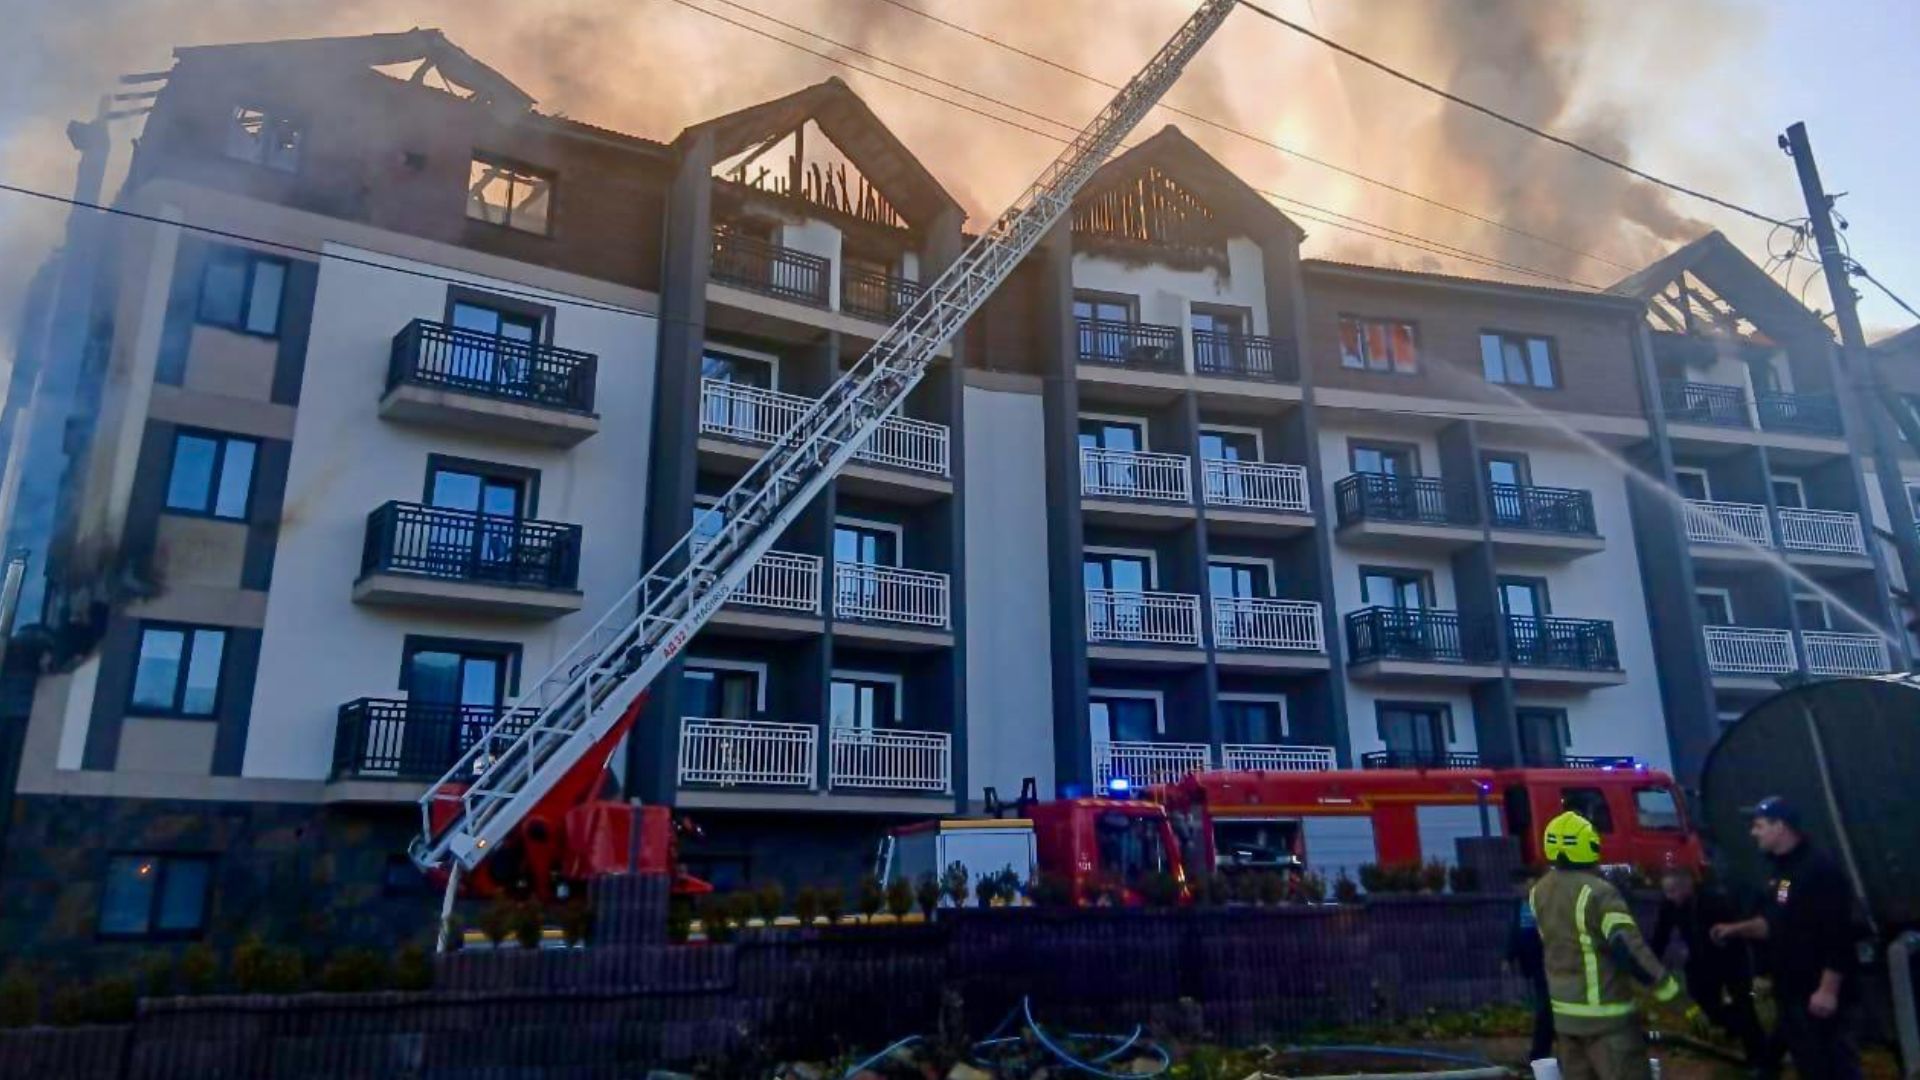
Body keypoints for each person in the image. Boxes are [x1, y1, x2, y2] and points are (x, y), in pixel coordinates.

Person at [1711, 796, 1860, 1080]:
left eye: (1759, 826)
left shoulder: (1819, 870)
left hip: (1817, 992)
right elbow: (1777, 920)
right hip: (1792, 991)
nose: (1753, 833)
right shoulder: (1784, 873)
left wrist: (1828, 989)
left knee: (1834, 1068)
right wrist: (1736, 929)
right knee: (1809, 1065)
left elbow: (1839, 933)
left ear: (1780, 826)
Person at [1532, 810, 1685, 1080]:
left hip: (1566, 1022)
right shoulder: (1599, 893)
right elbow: (1629, 950)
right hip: (1608, 1023)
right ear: (1589, 846)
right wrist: (1673, 995)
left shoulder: (1539, 891)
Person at [1650, 867, 1768, 1066]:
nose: (1669, 897)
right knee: (1706, 1007)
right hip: (1700, 961)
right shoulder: (1669, 906)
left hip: (1731, 959)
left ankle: (1759, 1058)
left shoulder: (1713, 900)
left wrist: (1758, 965)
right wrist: (1650, 962)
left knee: (1744, 1006)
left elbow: (1740, 929)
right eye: (1666, 892)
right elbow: (1661, 935)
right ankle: (1732, 1026)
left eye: (1673, 891)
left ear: (1687, 887)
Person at [1506, 868, 1554, 1062]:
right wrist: (1508, 957)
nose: (1518, 891)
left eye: (1520, 886)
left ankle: (1540, 1053)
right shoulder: (1519, 905)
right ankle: (1541, 1052)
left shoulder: (1545, 902)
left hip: (1549, 963)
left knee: (1546, 1009)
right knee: (1545, 1008)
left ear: (1531, 882)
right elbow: (1515, 932)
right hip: (1533, 965)